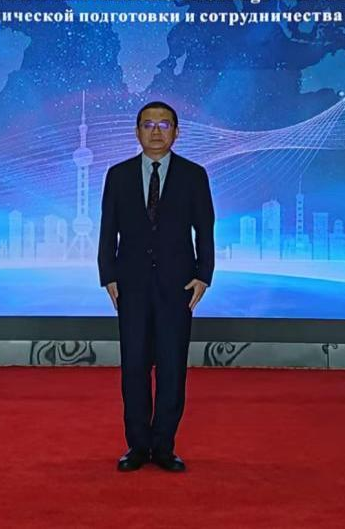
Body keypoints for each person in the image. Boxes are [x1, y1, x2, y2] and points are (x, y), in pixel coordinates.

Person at [97, 100, 215, 473]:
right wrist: (108, 275)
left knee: (171, 367)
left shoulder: (194, 175)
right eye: (148, 124)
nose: (156, 131)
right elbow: (107, 230)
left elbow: (205, 229)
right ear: (137, 132)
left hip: (177, 286)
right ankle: (137, 446)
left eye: (164, 124)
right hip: (130, 286)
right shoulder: (118, 175)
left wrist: (204, 274)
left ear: (177, 132)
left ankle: (164, 446)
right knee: (133, 366)